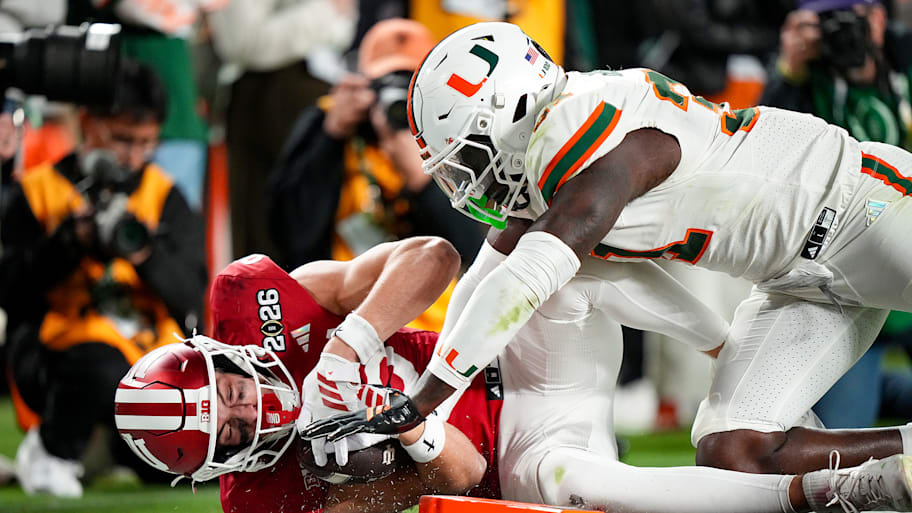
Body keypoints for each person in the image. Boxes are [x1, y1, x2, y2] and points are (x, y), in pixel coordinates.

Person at [302, 20, 912, 483]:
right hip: (795, 282)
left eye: (470, 155)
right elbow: (496, 272)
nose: (473, 182)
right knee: (734, 450)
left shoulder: (586, 131)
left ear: (510, 111)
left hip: (866, 210)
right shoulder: (554, 175)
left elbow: (530, 276)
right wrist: (722, 341)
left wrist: (425, 400)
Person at [121, 236, 912, 513]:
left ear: (222, 354)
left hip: (512, 357)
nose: (250, 408)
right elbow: (462, 480)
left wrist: (349, 343)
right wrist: (407, 427)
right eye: (229, 429)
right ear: (223, 462)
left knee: (536, 248)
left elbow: (433, 256)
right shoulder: (269, 498)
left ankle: (735, 352)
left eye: (228, 390)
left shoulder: (249, 297)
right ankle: (821, 491)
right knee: (555, 475)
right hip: (519, 447)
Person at [0, 60, 208, 497]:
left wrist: (145, 252)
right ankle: (52, 450)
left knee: (171, 470)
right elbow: (11, 290)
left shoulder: (164, 194)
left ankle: (107, 451)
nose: (133, 156)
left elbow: (192, 295)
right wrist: (70, 240)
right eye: (121, 139)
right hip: (57, 351)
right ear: (87, 122)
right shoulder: (37, 189)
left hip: (146, 353)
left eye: (146, 143)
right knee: (100, 364)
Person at [761, 0, 912, 429]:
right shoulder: (803, 86)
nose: (842, 33)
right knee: (840, 431)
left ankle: (885, 387)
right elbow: (760, 155)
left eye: (853, 19)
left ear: (880, 18)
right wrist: (788, 71)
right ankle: (879, 387)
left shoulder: (906, 62)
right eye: (826, 23)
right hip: (844, 284)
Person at [267, 18, 484, 270]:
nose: (401, 101)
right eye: (386, 85)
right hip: (339, 291)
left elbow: (475, 252)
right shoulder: (330, 120)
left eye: (412, 88)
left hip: (432, 303)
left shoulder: (456, 131)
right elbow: (289, 234)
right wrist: (331, 135)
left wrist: (423, 180)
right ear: (362, 83)